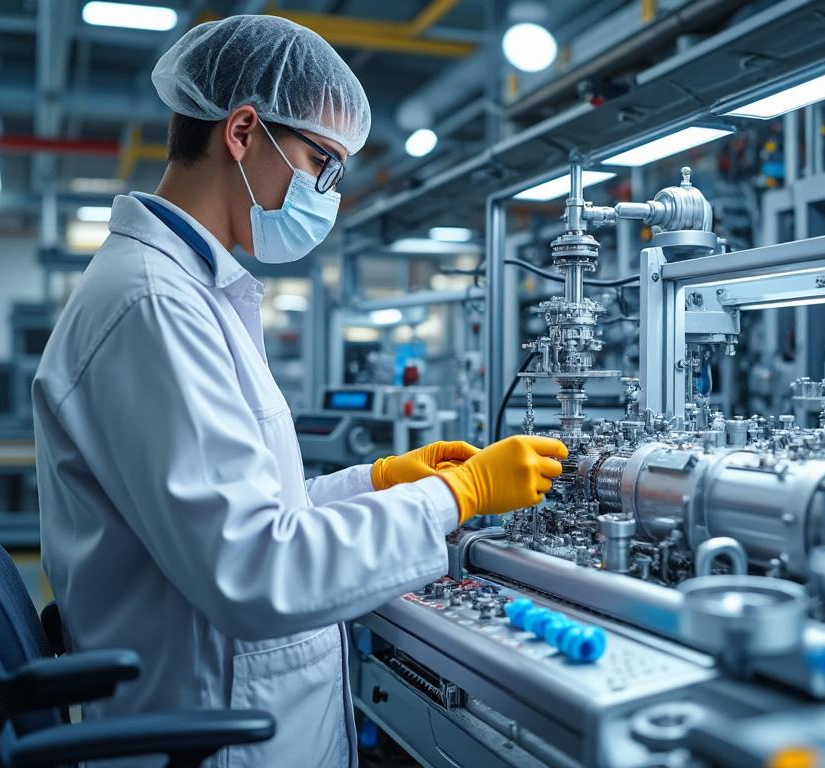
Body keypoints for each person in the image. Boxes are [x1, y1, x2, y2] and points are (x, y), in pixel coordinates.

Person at [32, 14, 567, 768]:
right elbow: (256, 570)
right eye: (322, 162)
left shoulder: (191, 293)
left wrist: (376, 481)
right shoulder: (153, 305)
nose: (327, 193)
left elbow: (247, 510)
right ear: (242, 132)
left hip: (231, 709)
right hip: (214, 732)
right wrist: (458, 496)